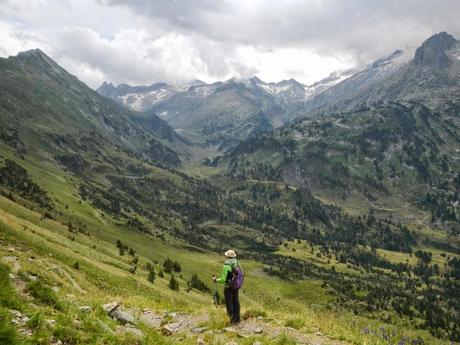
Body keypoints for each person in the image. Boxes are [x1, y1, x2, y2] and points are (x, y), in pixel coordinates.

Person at [213, 249, 241, 324]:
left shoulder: (226, 265)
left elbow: (223, 279)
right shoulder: (237, 262)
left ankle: (231, 320)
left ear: (227, 256)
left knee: (229, 303)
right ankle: (237, 319)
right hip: (236, 286)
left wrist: (216, 280)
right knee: (236, 301)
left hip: (229, 287)